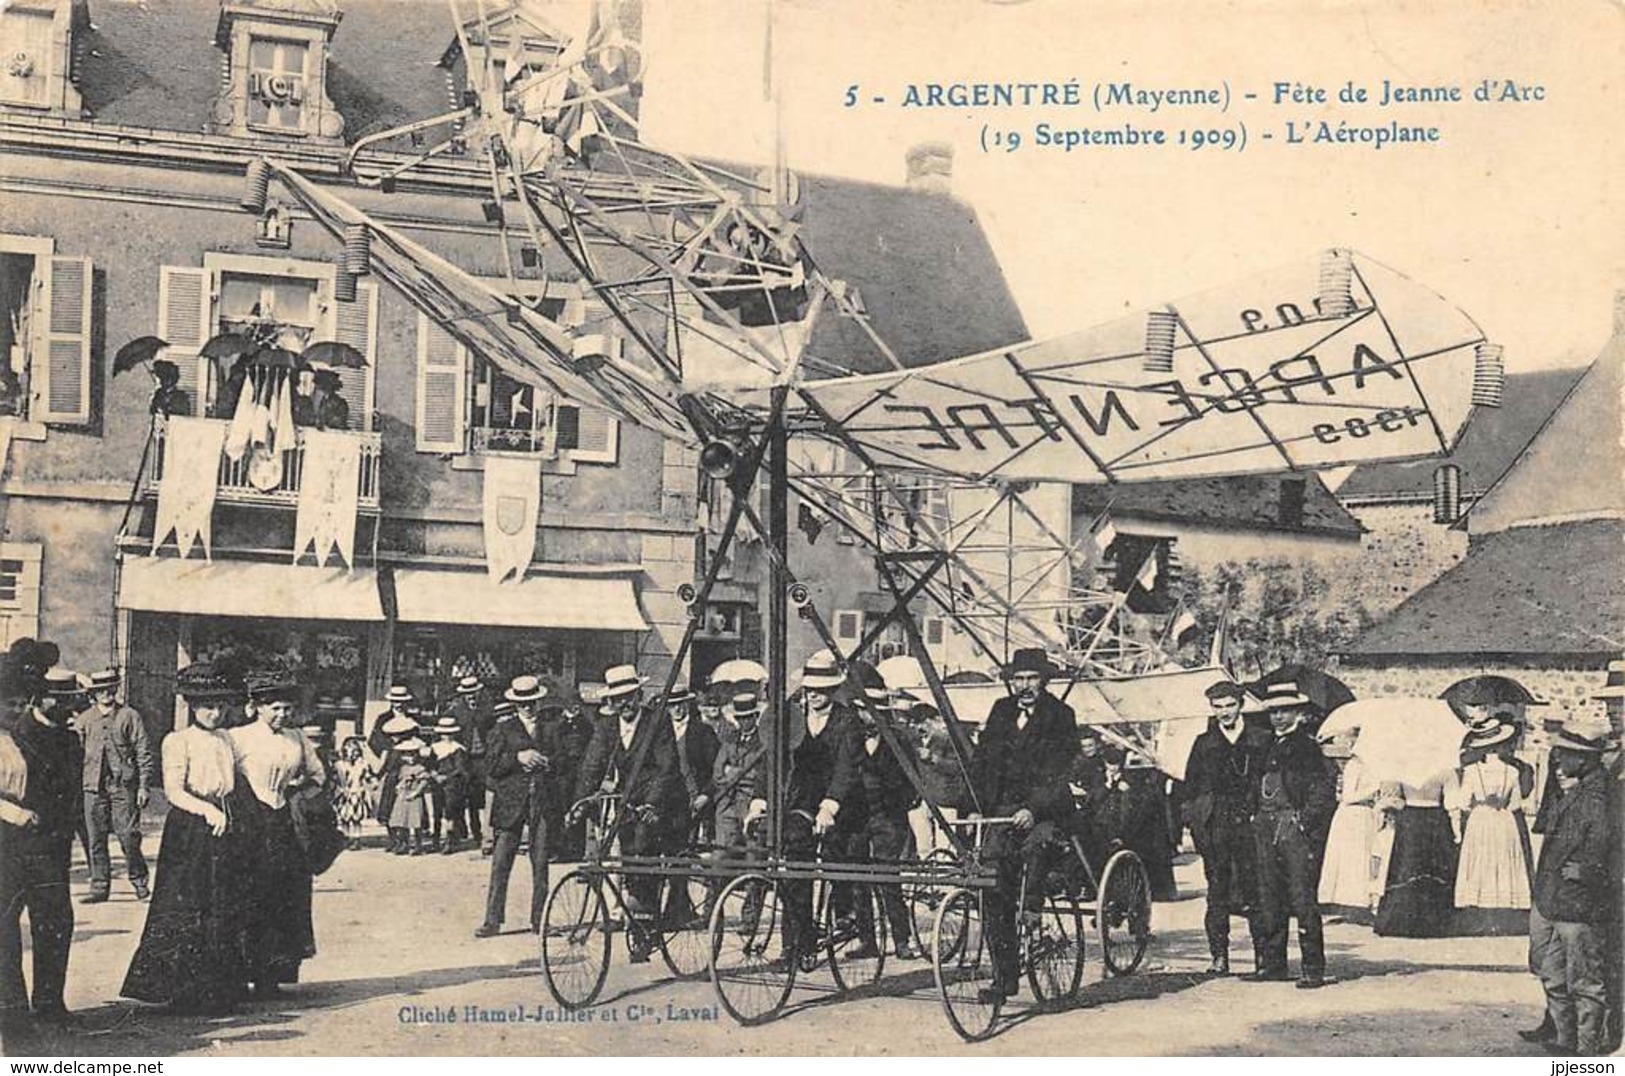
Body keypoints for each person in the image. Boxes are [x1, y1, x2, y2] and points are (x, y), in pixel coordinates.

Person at [121, 664, 249, 1014]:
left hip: (224, 821)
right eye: (208, 706)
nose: (216, 712)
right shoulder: (178, 741)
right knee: (187, 903)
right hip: (191, 829)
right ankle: (183, 989)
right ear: (192, 706)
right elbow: (175, 792)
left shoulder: (226, 739)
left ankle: (218, 989)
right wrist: (207, 812)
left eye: (221, 705)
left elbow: (235, 779)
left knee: (220, 903)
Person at [966, 647, 1079, 1002]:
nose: (1024, 685)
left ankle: (1032, 909)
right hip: (1004, 809)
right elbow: (982, 761)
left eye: (1031, 678)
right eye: (1018, 679)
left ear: (1043, 680)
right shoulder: (1001, 711)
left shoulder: (1061, 715)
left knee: (1036, 847)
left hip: (1045, 811)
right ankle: (1005, 977)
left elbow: (1062, 770)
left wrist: (1034, 807)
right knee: (989, 879)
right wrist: (974, 807)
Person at [750, 651, 868, 965]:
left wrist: (830, 807)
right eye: (810, 689)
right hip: (802, 802)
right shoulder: (794, 718)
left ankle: (844, 915)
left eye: (821, 689)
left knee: (835, 854)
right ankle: (796, 942)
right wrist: (759, 801)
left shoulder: (847, 721)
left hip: (842, 803)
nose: (814, 694)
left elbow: (847, 767)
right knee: (792, 867)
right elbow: (771, 760)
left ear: (832, 690)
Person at [571, 665, 686, 959]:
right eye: (617, 699)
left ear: (639, 695)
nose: (624, 704)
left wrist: (652, 804)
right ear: (610, 702)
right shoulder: (607, 727)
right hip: (628, 801)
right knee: (624, 855)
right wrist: (580, 802)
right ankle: (637, 920)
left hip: (662, 801)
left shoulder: (657, 723)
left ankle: (645, 928)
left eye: (629, 696)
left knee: (643, 855)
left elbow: (667, 767)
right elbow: (590, 767)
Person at [227, 672, 325, 998]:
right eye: (275, 708)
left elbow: (318, 775)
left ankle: (270, 976)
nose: (282, 715)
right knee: (247, 898)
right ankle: (239, 976)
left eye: (287, 709)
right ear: (255, 707)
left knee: (282, 899)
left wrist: (298, 793)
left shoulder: (296, 738)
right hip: (247, 822)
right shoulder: (237, 737)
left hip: (283, 821)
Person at [1522, 727, 1617, 1056]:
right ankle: (1566, 1041)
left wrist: (1590, 871)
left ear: (1585, 758)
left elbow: (1611, 846)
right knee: (1553, 974)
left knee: (1584, 980)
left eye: (1566, 754)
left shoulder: (1601, 796)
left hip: (1580, 903)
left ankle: (1587, 1051)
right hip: (1555, 899)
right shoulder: (1573, 790)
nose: (1558, 759)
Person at [0, 665, 83, 1031]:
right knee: (5, 925)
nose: (67, 709)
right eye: (58, 701)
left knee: (56, 921)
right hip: (13, 844)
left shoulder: (69, 738)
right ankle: (12, 1010)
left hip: (51, 846)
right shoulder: (18, 734)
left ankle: (50, 1004)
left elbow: (74, 796)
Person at [1246, 681, 1336, 989]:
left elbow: (1323, 791)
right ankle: (1273, 964)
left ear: (1298, 713)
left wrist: (1304, 822)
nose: (1279, 717)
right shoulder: (1265, 745)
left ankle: (1313, 968)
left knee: (1301, 897)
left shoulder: (1308, 747)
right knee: (1268, 896)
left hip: (1293, 828)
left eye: (1285, 711)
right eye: (1274, 712)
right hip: (1265, 825)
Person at [1182, 679, 1272, 975]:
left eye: (1230, 705)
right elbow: (1191, 789)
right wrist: (1197, 824)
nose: (1224, 713)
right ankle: (1218, 956)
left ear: (1241, 705)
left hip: (1251, 823)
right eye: (1217, 707)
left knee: (1255, 890)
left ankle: (1263, 956)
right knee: (1217, 891)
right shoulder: (1203, 743)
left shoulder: (1261, 739)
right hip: (1216, 825)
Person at [478, 676, 558, 938]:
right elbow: (491, 767)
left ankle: (540, 920)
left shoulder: (550, 728)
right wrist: (517, 758)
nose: (528, 707)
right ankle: (492, 920)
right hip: (510, 803)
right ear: (515, 703)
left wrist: (547, 762)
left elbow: (565, 761)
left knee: (541, 863)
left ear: (538, 701)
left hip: (542, 802)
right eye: (523, 703)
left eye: (532, 702)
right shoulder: (503, 729)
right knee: (501, 863)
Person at [855, 668, 924, 960]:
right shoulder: (853, 739)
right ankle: (866, 940)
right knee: (857, 876)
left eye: (869, 712)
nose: (864, 717)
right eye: (861, 711)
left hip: (888, 816)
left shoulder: (899, 740)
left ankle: (901, 939)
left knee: (887, 877)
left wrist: (897, 803)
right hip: (858, 816)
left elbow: (913, 780)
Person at [1448, 718, 1533, 936]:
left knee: (1480, 862)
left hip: (1480, 819)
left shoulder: (1472, 771)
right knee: (1503, 863)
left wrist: (1478, 804)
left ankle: (1481, 917)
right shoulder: (1512, 771)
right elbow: (1515, 803)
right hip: (1504, 820)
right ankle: (1501, 916)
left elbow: (1464, 802)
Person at [77, 668, 155, 903]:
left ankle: (140, 882)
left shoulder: (129, 716)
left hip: (123, 786)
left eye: (110, 689)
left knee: (128, 836)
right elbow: (75, 753)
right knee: (96, 838)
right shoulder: (85, 719)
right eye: (101, 690)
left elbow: (143, 751)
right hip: (93, 787)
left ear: (116, 689)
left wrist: (143, 786)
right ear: (94, 694)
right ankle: (99, 887)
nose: (106, 694)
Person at [1374, 739, 1461, 939]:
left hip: (1410, 819)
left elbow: (1392, 797)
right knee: (1432, 867)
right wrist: (1457, 831)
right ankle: (1434, 923)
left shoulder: (1403, 768)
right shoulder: (1445, 769)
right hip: (1435, 820)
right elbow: (1453, 804)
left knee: (1407, 866)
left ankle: (1401, 922)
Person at [1316, 737, 1382, 923]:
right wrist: (1374, 789)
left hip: (1365, 815)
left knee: (1363, 858)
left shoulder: (1371, 765)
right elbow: (1348, 796)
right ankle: (1350, 905)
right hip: (1352, 816)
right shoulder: (1354, 765)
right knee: (1351, 859)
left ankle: (1361, 904)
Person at [712, 690, 769, 854]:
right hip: (727, 803)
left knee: (752, 851)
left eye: (748, 717)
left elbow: (760, 775)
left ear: (755, 717)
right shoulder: (729, 739)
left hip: (750, 802)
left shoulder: (764, 742)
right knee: (723, 852)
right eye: (740, 718)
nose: (744, 722)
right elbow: (717, 773)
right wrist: (740, 774)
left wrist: (731, 771)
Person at [666, 685, 719, 847]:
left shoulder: (702, 731)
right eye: (672, 705)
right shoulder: (661, 731)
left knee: (691, 847)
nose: (677, 709)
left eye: (681, 704)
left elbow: (716, 768)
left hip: (694, 799)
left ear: (688, 704)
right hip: (668, 799)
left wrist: (706, 794)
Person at [446, 676, 490, 854]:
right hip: (463, 758)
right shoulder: (456, 711)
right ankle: (457, 833)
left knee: (478, 796)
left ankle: (479, 832)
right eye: (467, 693)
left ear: (478, 692)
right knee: (459, 794)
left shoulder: (487, 708)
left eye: (473, 692)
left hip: (482, 758)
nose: (471, 696)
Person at [429, 716, 473, 854]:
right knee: (436, 811)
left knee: (450, 812)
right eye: (443, 733)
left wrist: (446, 777)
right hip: (437, 783)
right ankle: (435, 840)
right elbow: (430, 764)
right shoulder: (435, 747)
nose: (446, 736)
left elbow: (460, 769)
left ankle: (450, 840)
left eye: (449, 733)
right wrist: (435, 775)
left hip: (453, 784)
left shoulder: (458, 748)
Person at [333, 736, 372, 847]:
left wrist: (370, 784)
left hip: (357, 792)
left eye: (355, 751)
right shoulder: (339, 765)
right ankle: (345, 837)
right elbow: (335, 778)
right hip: (344, 793)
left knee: (356, 818)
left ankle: (356, 839)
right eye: (350, 750)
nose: (353, 753)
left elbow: (367, 776)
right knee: (344, 817)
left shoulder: (363, 764)